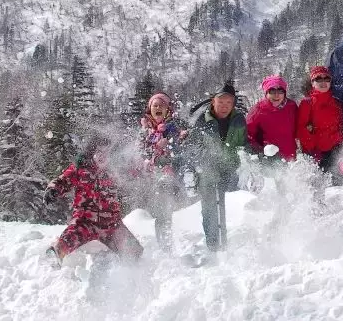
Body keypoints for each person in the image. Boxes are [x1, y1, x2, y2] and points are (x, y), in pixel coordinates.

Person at [44, 136, 143, 265]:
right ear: (92, 153)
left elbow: (134, 173)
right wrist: (53, 189)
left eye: (107, 153)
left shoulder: (115, 170)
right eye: (99, 152)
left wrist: (142, 167)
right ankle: (57, 253)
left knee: (134, 252)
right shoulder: (81, 169)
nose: (102, 157)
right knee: (72, 235)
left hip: (111, 223)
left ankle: (132, 273)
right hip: (85, 220)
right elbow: (64, 180)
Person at [188, 82, 247, 252]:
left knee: (231, 205)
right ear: (213, 101)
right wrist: (206, 160)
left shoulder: (238, 119)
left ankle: (227, 244)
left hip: (231, 169)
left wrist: (245, 161)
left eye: (229, 102)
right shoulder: (202, 120)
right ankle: (214, 245)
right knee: (210, 208)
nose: (224, 106)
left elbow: (243, 143)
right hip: (207, 170)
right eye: (221, 101)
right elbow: (193, 147)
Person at [139, 92, 187, 251]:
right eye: (155, 105)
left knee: (167, 208)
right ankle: (163, 244)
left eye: (162, 105)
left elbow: (180, 151)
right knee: (158, 212)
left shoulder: (173, 127)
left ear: (168, 109)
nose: (158, 108)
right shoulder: (145, 130)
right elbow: (140, 152)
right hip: (150, 177)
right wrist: (152, 157)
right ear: (150, 109)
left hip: (170, 176)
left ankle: (170, 244)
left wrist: (171, 144)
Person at [296, 66, 343, 182]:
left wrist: (339, 142)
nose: (323, 82)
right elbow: (301, 129)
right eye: (318, 79)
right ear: (312, 83)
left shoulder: (336, 102)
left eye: (326, 79)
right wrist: (312, 149)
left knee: (339, 185)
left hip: (335, 151)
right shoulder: (307, 103)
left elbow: (341, 126)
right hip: (316, 154)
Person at [245, 75, 298, 161]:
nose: (276, 95)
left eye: (280, 91)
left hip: (291, 155)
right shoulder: (258, 110)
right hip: (269, 158)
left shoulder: (291, 106)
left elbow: (299, 127)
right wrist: (261, 149)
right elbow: (248, 134)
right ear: (266, 93)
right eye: (272, 91)